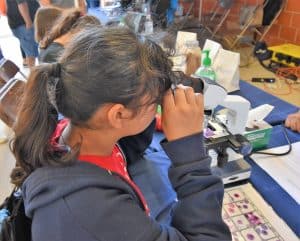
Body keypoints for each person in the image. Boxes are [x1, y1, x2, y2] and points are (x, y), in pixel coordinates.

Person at [10, 26, 231, 241]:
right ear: (118, 115)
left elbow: (130, 144)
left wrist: (152, 95)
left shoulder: (68, 130)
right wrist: (189, 152)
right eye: (156, 103)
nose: (159, 107)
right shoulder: (93, 210)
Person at [5, 0, 39, 67]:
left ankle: (34, 73)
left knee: (30, 52)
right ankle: (33, 75)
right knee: (31, 53)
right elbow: (21, 3)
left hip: (20, 22)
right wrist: (28, 22)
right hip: (23, 23)